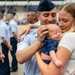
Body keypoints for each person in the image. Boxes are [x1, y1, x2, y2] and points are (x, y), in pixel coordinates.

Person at [16, 0, 56, 75]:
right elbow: (20, 58)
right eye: (46, 15)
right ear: (38, 17)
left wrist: (32, 25)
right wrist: (38, 41)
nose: (51, 19)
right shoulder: (29, 33)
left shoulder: (60, 32)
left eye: (53, 15)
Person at [35, 2, 75, 75]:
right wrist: (31, 26)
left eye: (65, 21)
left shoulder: (68, 37)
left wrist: (37, 54)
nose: (60, 24)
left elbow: (49, 73)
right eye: (59, 20)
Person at [0, 9, 12, 75]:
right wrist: (9, 45)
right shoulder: (4, 24)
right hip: (4, 45)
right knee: (5, 63)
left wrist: (8, 46)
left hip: (2, 45)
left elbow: (4, 39)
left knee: (2, 64)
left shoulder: (1, 25)